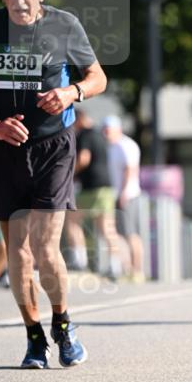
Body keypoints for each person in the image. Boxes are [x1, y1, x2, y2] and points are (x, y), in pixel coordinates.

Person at [0, 0, 107, 366]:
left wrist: (72, 94)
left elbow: (97, 77)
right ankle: (34, 337)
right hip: (5, 148)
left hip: (54, 146)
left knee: (45, 247)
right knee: (18, 249)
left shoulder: (64, 25)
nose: (20, 1)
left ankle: (63, 325)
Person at [64, 109, 122, 279]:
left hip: (91, 188)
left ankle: (79, 259)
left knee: (72, 221)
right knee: (107, 228)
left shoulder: (85, 135)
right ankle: (114, 265)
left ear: (78, 119)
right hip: (105, 187)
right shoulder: (100, 135)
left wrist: (69, 174)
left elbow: (84, 158)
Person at [102, 115, 144, 282]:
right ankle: (125, 267)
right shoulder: (111, 147)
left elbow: (130, 170)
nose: (106, 134)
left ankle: (137, 270)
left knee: (130, 232)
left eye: (108, 130)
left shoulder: (126, 145)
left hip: (128, 195)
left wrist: (124, 193)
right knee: (117, 233)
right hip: (114, 195)